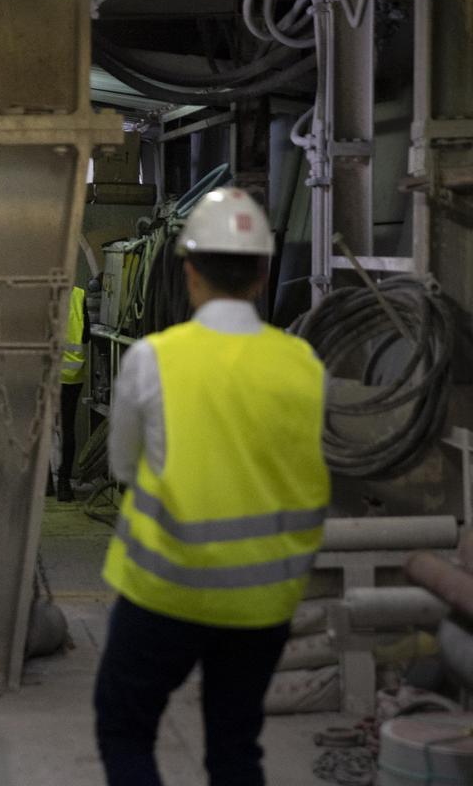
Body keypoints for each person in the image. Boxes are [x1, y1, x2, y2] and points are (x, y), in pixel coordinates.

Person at [93, 188, 330, 786]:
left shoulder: (153, 359)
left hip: (165, 592)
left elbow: (122, 467)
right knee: (235, 745)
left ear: (189, 271)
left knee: (124, 729)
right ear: (263, 272)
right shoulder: (304, 363)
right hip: (263, 599)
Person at [56, 284, 87, 501]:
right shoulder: (79, 295)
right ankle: (63, 484)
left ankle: (45, 484)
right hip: (72, 375)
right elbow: (86, 336)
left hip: (45, 374)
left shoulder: (41, 292)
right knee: (67, 428)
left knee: (40, 430)